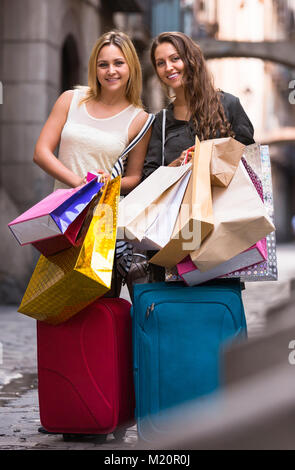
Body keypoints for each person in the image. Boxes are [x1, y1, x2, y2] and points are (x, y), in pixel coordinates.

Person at [33, 31, 153, 434]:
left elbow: (135, 175)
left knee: (96, 318)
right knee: (60, 314)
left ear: (130, 67)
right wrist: (78, 184)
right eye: (104, 63)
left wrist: (109, 184)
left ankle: (99, 405)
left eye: (118, 63)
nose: (110, 70)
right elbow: (42, 151)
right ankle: (69, 406)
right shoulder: (72, 99)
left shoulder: (139, 118)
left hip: (103, 228)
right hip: (61, 226)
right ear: (95, 68)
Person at [143, 31, 255, 281]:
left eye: (175, 58)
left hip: (222, 229)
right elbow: (148, 178)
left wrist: (209, 157)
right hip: (175, 234)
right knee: (173, 310)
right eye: (160, 63)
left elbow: (248, 162)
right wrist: (178, 164)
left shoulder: (229, 106)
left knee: (214, 308)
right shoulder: (160, 122)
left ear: (190, 60)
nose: (168, 67)